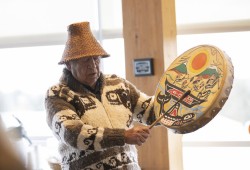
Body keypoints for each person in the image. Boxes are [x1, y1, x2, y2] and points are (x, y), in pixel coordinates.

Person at [45, 21, 157, 170]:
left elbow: (151, 111)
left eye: (96, 58)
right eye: (85, 60)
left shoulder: (118, 84)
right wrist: (123, 136)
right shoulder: (58, 95)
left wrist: (177, 100)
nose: (93, 65)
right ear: (69, 65)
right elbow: (73, 134)